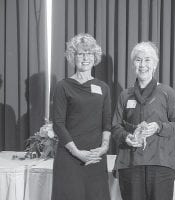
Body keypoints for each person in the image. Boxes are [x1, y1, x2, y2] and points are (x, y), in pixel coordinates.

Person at [112, 41, 175, 200]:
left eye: (147, 60)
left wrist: (159, 127)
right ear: (132, 65)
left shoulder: (166, 92)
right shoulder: (125, 95)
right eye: (138, 60)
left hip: (161, 162)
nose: (142, 64)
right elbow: (115, 127)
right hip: (130, 163)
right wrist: (126, 137)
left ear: (155, 64)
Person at [52, 33, 111, 200]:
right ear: (73, 57)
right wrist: (77, 152)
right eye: (80, 53)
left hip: (95, 157)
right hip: (70, 157)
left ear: (95, 57)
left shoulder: (103, 88)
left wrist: (104, 147)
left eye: (89, 53)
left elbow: (107, 122)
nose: (85, 58)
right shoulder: (62, 86)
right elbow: (58, 124)